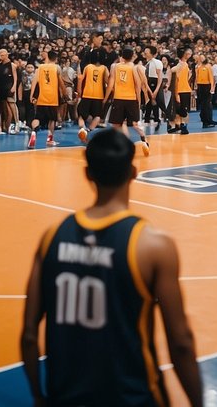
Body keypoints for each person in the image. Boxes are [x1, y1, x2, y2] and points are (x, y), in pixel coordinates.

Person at [20, 130, 202, 407]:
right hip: (132, 396)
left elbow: (30, 334)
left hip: (66, 396)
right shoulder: (153, 246)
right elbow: (181, 343)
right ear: (133, 172)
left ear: (88, 175)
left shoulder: (51, 237)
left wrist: (36, 395)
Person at [29, 50, 62, 149]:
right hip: (52, 98)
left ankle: (33, 133)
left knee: (37, 118)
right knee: (52, 119)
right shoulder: (57, 68)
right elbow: (60, 83)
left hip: (41, 97)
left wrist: (31, 95)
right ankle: (50, 140)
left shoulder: (40, 68)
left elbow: (34, 82)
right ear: (55, 58)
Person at [76, 52, 109, 144]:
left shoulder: (88, 67)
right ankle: (88, 131)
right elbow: (108, 81)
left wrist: (79, 92)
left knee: (81, 114)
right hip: (99, 96)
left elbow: (80, 79)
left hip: (86, 94)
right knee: (97, 116)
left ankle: (82, 129)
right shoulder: (104, 68)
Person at [167, 49, 193, 136]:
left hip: (184, 90)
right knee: (180, 110)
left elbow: (175, 75)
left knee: (183, 110)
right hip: (181, 90)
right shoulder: (181, 65)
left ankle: (184, 126)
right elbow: (174, 73)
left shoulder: (183, 65)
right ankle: (180, 126)